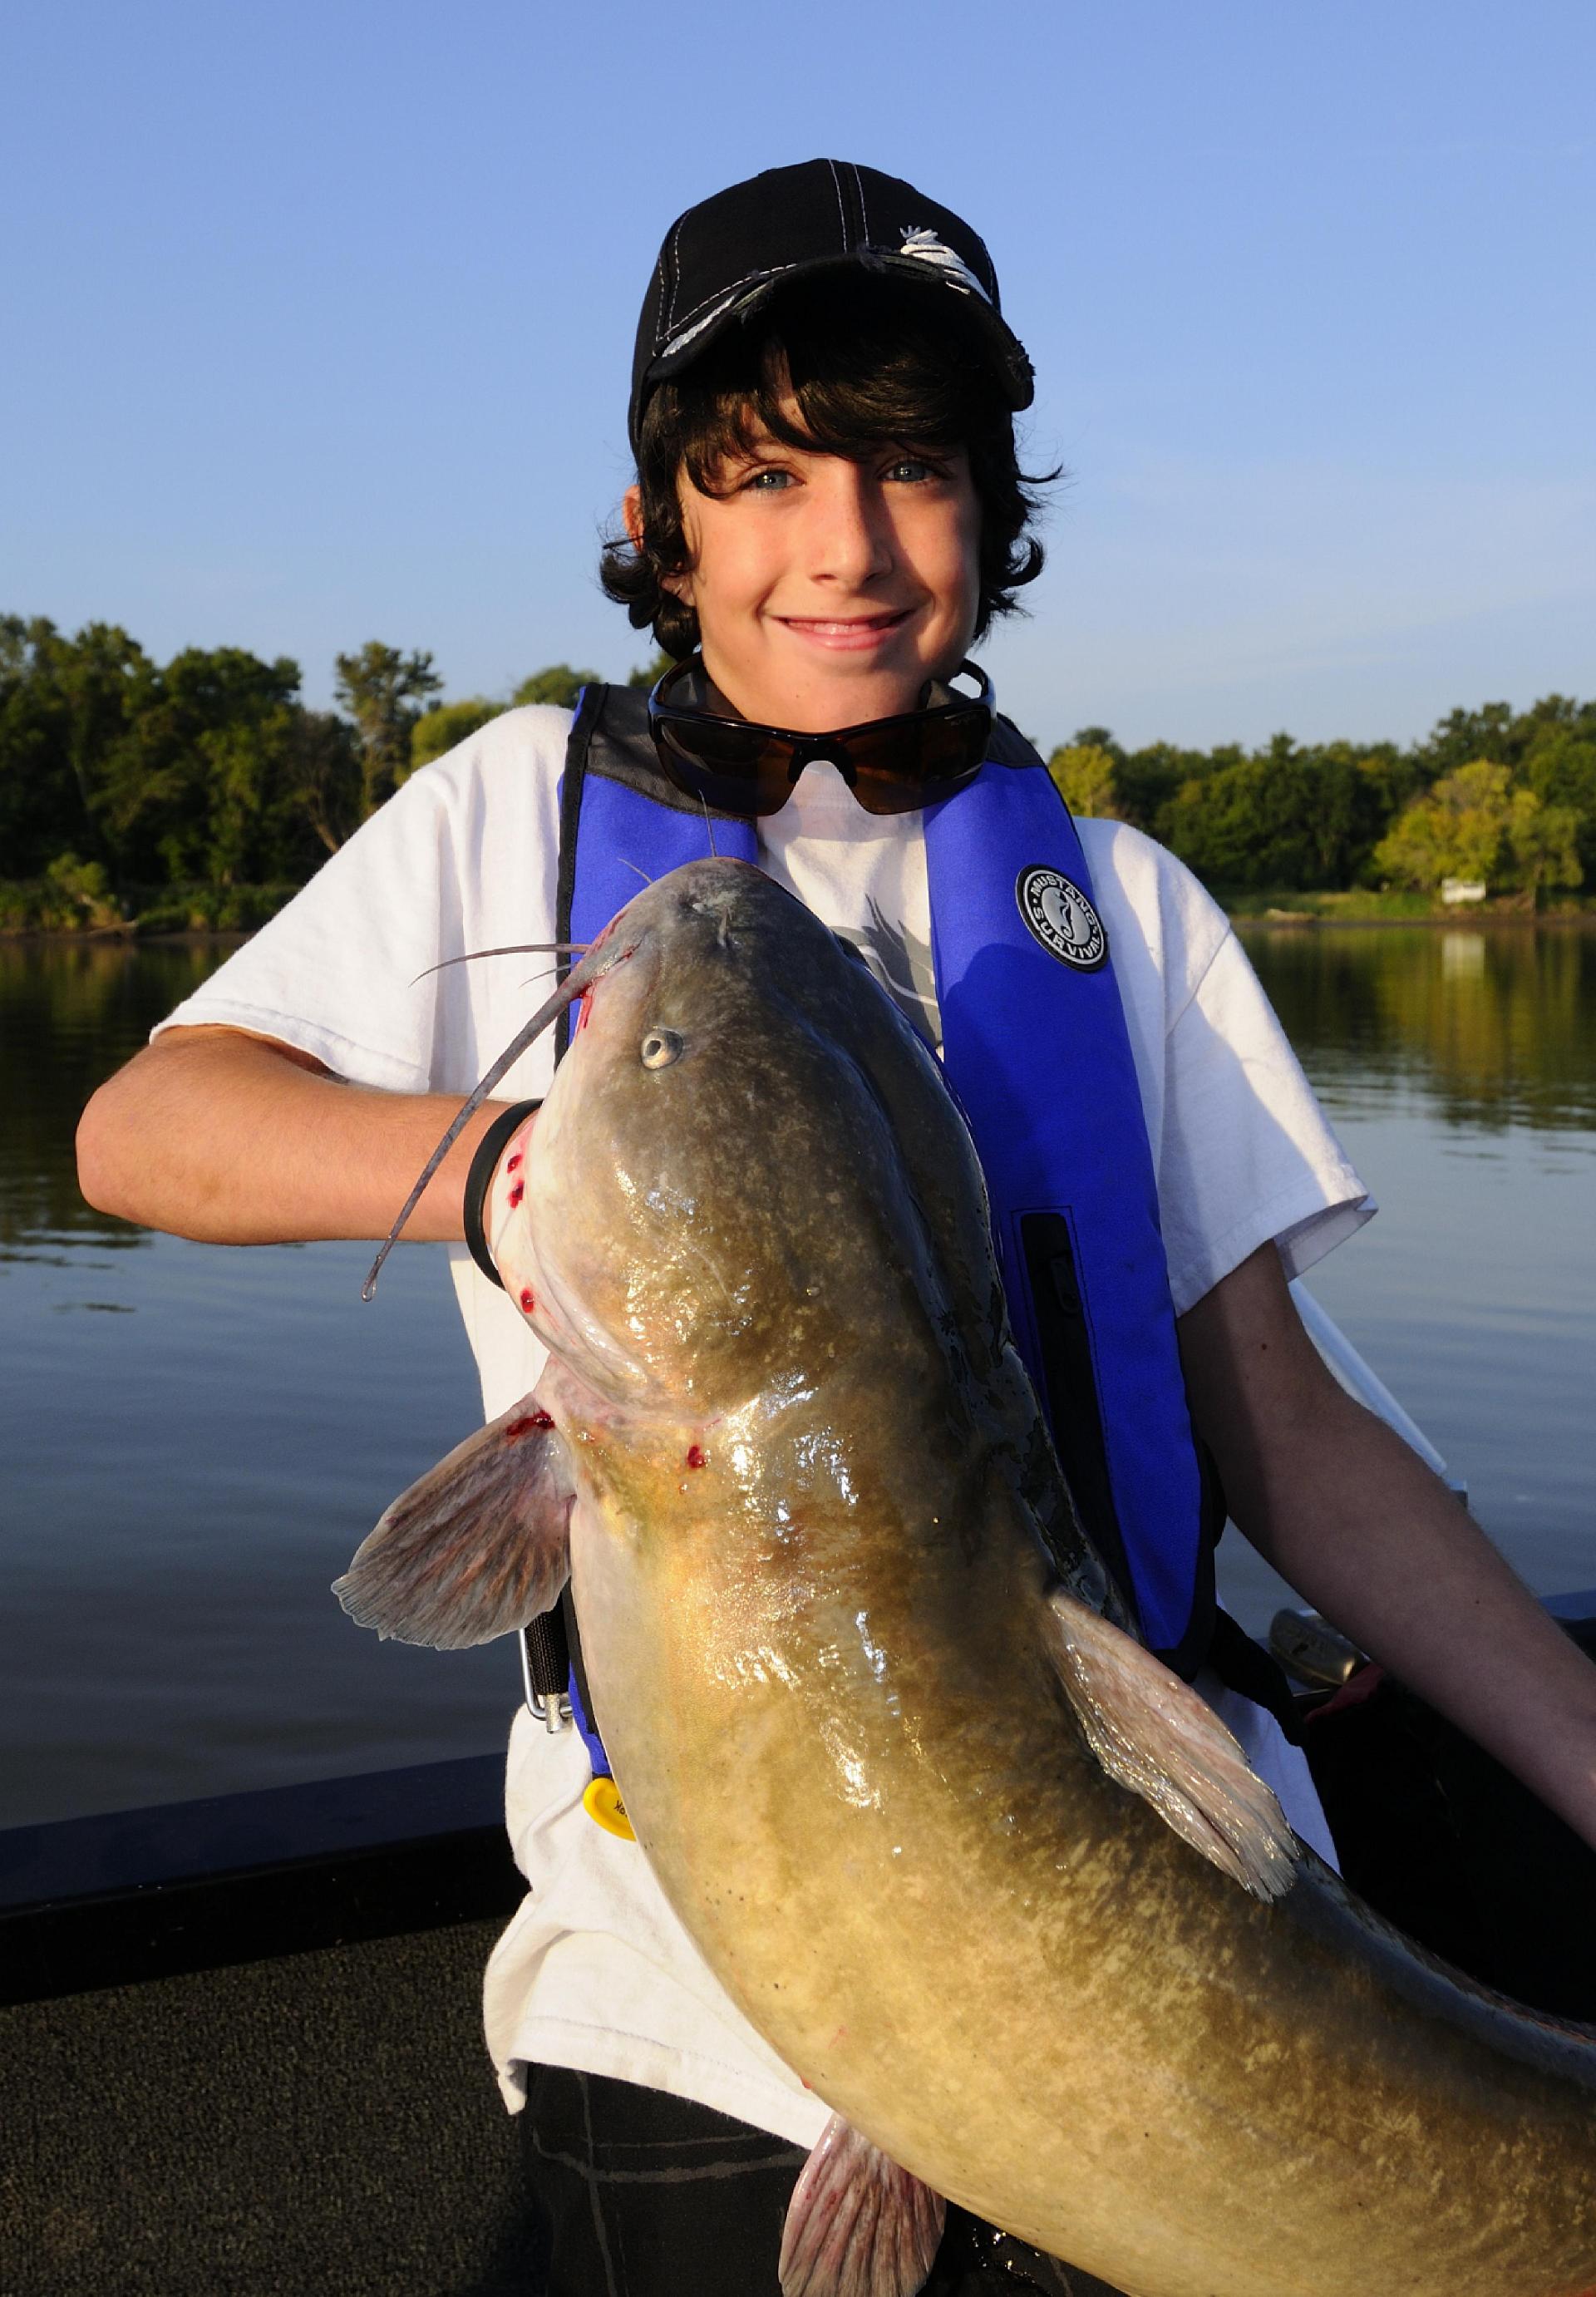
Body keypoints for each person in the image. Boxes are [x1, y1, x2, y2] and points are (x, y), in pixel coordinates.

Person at [76, 160, 1596, 2296]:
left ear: (994, 507)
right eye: (767, 471)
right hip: (695, 2010)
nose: (849, 545)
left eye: (916, 470)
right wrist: (525, 1170)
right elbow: (147, 1131)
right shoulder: (515, 801)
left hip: (1176, 1925)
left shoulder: (1123, 901)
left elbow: (1291, 1433)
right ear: (656, 517)